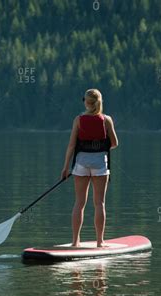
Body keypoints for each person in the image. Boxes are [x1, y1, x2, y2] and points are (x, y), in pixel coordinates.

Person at [61, 89, 118, 247]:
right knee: (99, 203)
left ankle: (75, 242)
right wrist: (99, 147)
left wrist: (66, 168)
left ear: (86, 102)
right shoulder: (107, 120)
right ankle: (100, 242)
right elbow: (114, 143)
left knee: (79, 203)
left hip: (80, 164)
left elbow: (72, 145)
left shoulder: (78, 120)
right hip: (100, 164)